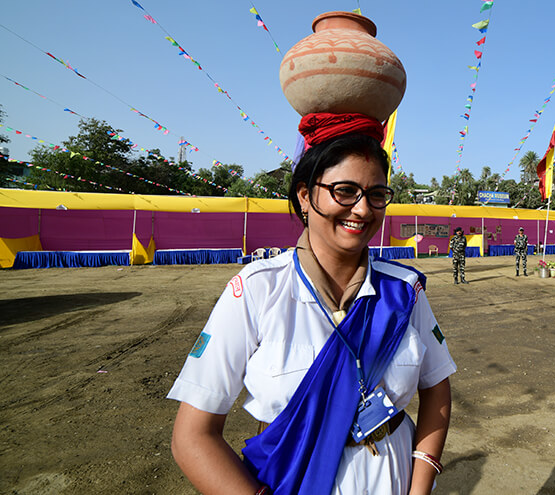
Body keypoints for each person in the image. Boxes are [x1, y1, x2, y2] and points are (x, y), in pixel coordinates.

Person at [167, 119, 456, 495]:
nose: (363, 210)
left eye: (376, 194)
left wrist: (419, 488)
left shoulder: (403, 292)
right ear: (305, 195)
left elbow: (436, 387)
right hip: (291, 480)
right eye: (345, 191)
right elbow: (192, 438)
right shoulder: (258, 290)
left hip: (393, 479)